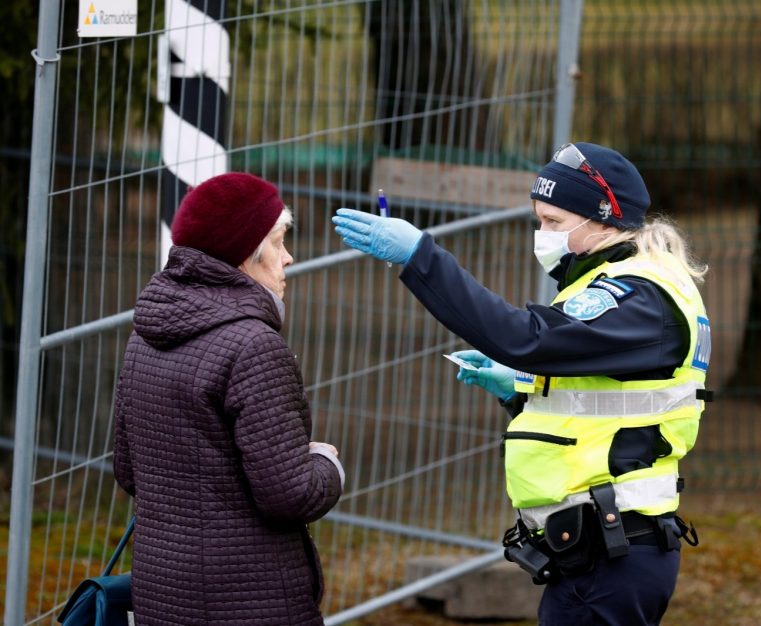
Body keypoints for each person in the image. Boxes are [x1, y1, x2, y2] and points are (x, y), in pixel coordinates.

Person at [332, 142, 711, 626]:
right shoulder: (625, 285)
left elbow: (525, 339)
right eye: (538, 219)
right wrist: (518, 392)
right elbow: (609, 408)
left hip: (615, 551)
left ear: (605, 219)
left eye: (554, 221)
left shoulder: (638, 296)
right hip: (595, 548)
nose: (542, 234)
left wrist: (421, 257)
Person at [113, 172, 344, 625]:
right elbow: (290, 496)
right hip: (251, 600)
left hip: (163, 594)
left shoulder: (143, 337)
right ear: (244, 254)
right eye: (278, 244)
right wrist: (326, 463)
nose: (289, 258)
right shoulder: (253, 347)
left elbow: (128, 470)